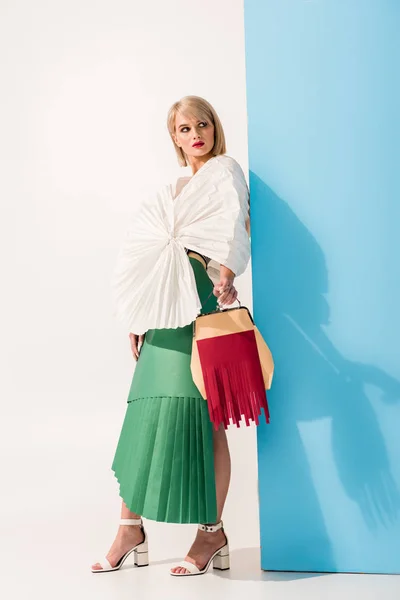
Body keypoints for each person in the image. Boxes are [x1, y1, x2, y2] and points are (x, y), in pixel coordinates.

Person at [91, 95, 251, 576]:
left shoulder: (225, 172)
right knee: (144, 416)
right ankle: (129, 527)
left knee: (207, 418)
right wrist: (137, 316)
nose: (195, 134)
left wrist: (226, 272)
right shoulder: (174, 187)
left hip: (201, 306)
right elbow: (150, 256)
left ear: (214, 127)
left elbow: (235, 232)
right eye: (184, 129)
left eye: (202, 124)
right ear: (174, 138)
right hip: (164, 309)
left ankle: (211, 533)